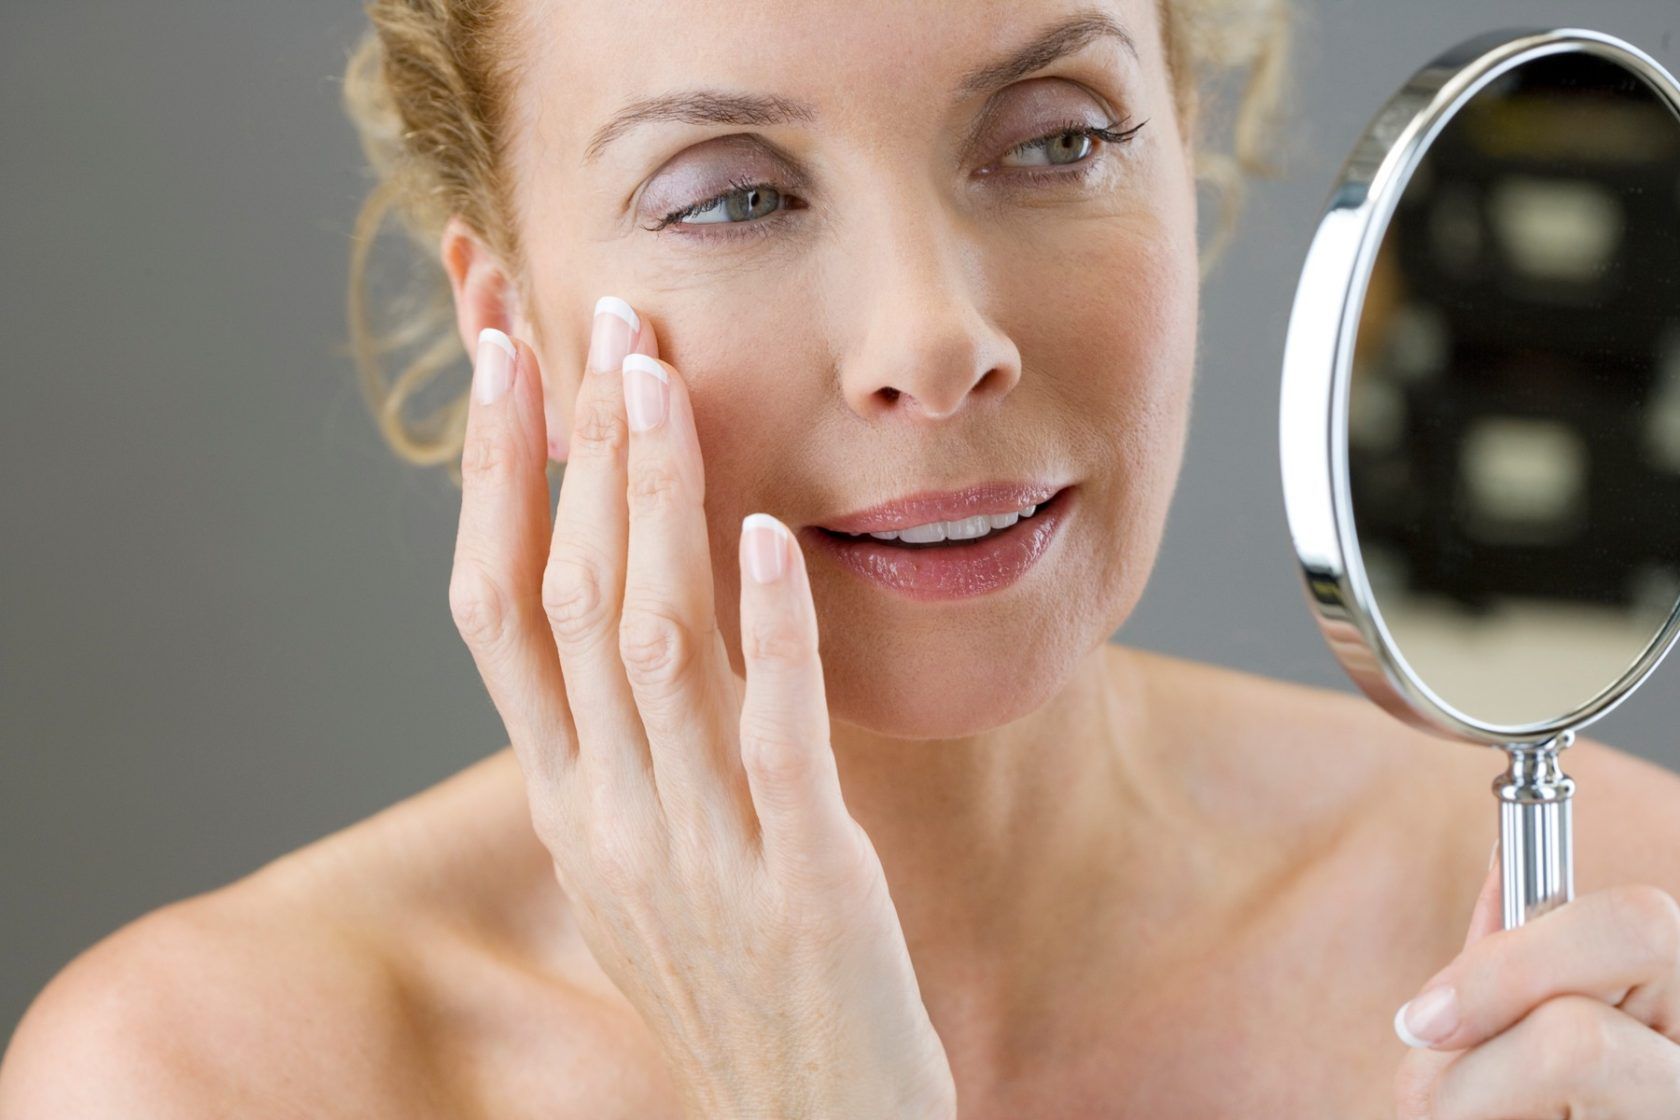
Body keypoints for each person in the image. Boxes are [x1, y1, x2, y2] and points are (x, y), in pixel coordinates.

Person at [5, 1, 1679, 1115]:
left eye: (1057, 137)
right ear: (515, 330)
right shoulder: (213, 1079)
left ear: (1185, 146)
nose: (934, 341)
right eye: (733, 197)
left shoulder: (1617, 932)